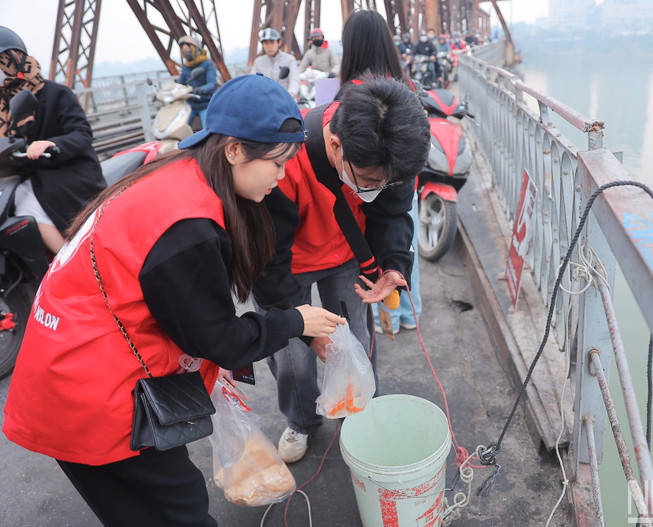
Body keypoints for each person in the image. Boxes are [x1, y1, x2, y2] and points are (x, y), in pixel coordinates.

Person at [2, 74, 344, 527]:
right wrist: (296, 322)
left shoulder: (178, 173)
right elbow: (221, 340)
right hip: (89, 393)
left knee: (140, 511)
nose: (283, 177)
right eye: (277, 163)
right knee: (178, 508)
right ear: (235, 150)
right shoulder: (189, 229)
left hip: (68, 368)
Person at [253, 76, 430, 463]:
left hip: (348, 253)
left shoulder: (393, 154)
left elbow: (393, 211)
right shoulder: (285, 159)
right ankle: (300, 421)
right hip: (287, 264)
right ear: (336, 145)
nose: (377, 188)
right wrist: (301, 328)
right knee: (292, 354)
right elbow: (264, 259)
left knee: (354, 339)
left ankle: (358, 416)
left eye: (388, 182)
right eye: (368, 181)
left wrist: (395, 265)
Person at [337, 10, 422, 335]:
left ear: (350, 47)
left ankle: (383, 318)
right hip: (403, 185)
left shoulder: (350, 96)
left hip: (362, 193)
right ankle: (410, 315)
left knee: (374, 258)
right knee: (403, 248)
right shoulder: (405, 87)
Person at [0, 26, 106, 255]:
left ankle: (72, 263)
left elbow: (82, 134)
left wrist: (52, 144)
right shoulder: (2, 105)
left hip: (65, 172)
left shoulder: (55, 93)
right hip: (27, 176)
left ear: (13, 59)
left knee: (26, 207)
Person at [177, 35, 218, 130]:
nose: (186, 52)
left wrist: (202, 89)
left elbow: (212, 83)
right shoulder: (186, 66)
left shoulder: (207, 64)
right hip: (191, 104)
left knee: (207, 129)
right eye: (184, 50)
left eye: (188, 49)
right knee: (181, 127)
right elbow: (180, 84)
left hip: (205, 103)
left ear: (195, 49)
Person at [251, 27, 299, 99]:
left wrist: (291, 94)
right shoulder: (258, 62)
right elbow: (252, 81)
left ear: (279, 43)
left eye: (272, 42)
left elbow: (294, 80)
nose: (269, 46)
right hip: (264, 100)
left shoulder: (289, 59)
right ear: (263, 45)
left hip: (285, 99)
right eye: (266, 43)